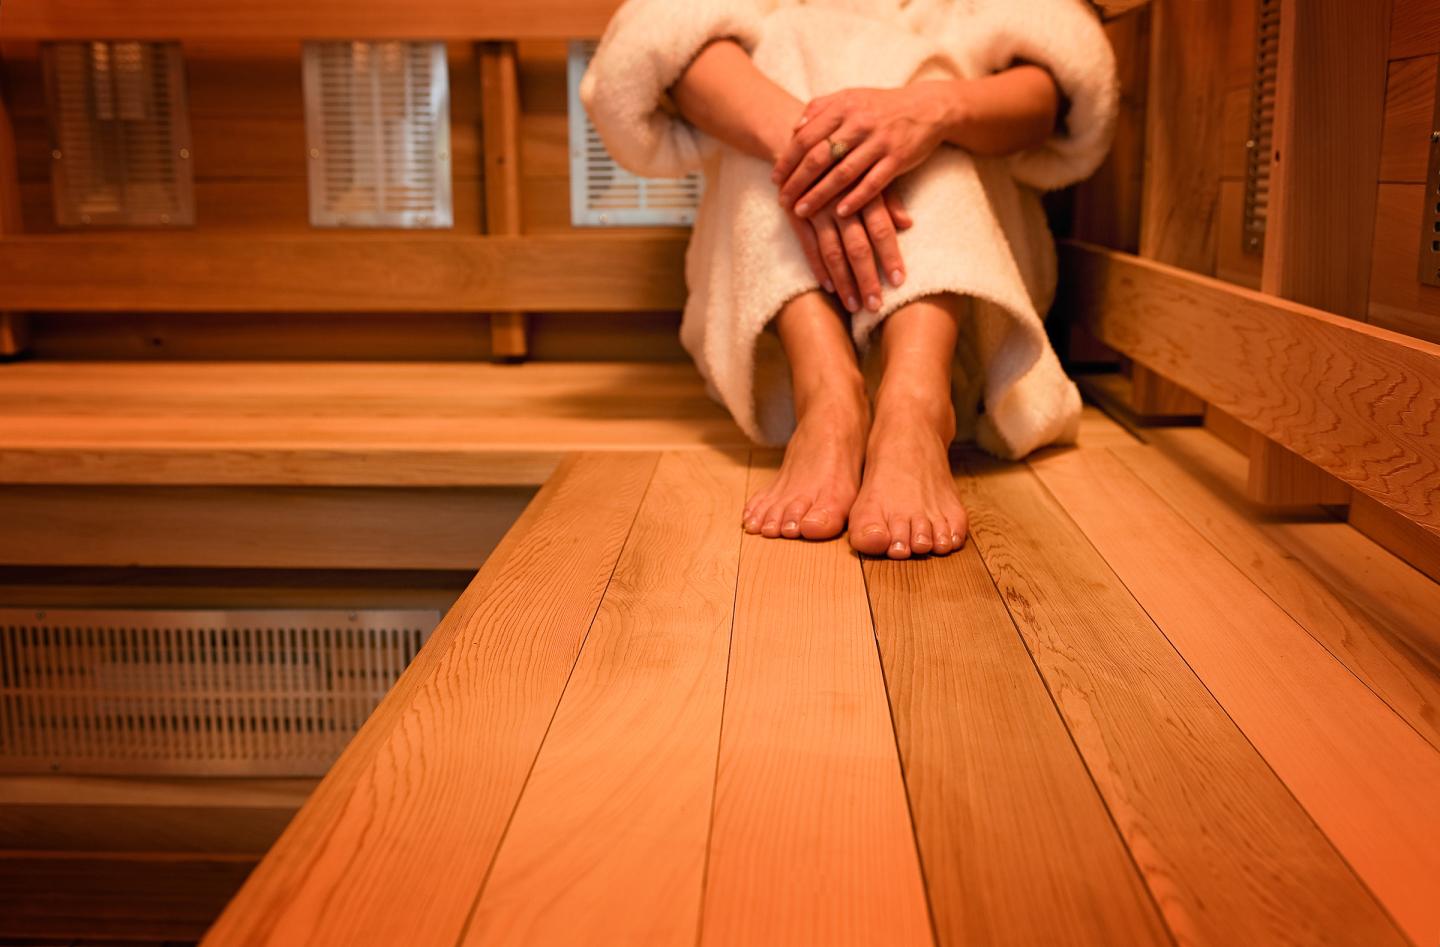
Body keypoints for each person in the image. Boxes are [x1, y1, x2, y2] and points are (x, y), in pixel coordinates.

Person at [581, 0, 1117, 558]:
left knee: (925, 76)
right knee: (782, 51)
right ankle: (827, 395)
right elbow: (667, 34)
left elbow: (1055, 82)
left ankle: (917, 402)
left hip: (973, 313)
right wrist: (816, 151)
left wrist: (927, 111)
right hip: (769, 342)